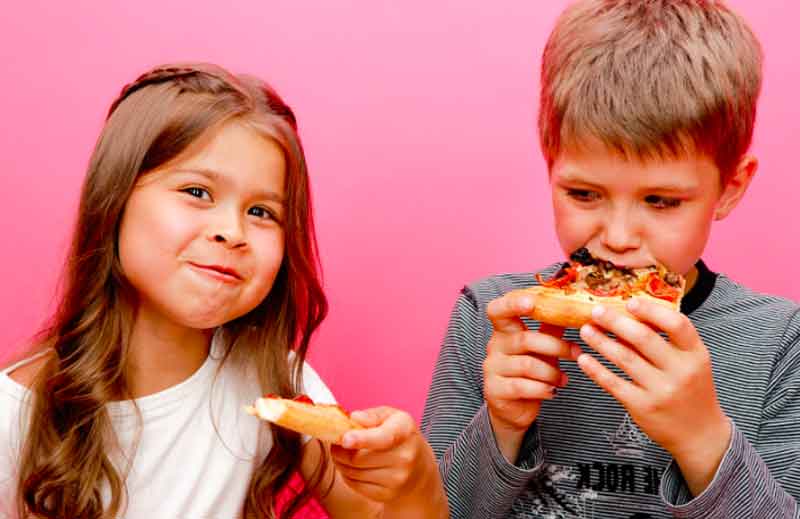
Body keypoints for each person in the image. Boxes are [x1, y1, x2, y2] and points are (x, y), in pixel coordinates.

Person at [0, 63, 447, 519]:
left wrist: (417, 487)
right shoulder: (13, 416)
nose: (232, 232)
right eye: (197, 191)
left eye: (261, 212)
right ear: (112, 201)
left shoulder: (277, 382)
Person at [422, 1, 800, 518]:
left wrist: (705, 439)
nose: (618, 238)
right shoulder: (492, 316)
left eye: (661, 201)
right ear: (549, 164)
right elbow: (429, 511)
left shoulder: (780, 342)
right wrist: (500, 425)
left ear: (730, 187)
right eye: (583, 193)